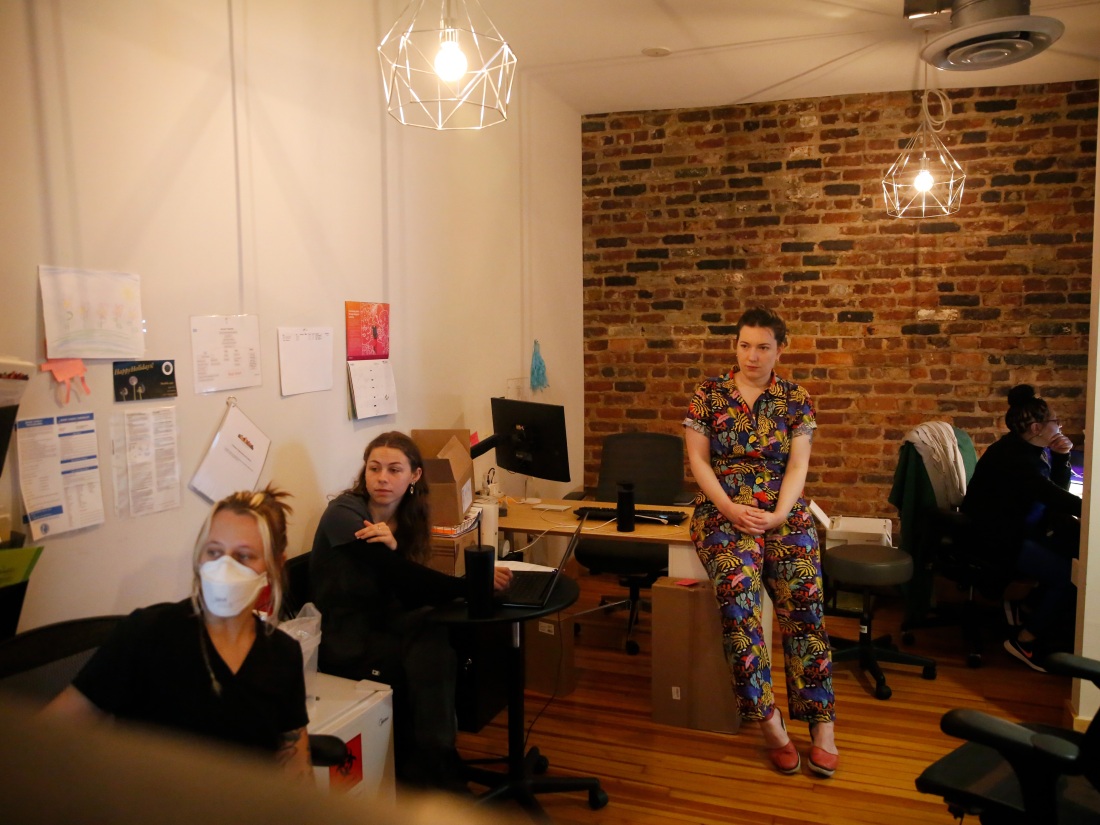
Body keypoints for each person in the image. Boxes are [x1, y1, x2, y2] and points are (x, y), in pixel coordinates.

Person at [44, 486, 311, 779]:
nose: (225, 567)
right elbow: (45, 735)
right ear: (199, 557)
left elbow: (295, 768)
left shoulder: (282, 654)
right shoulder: (147, 634)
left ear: (275, 565)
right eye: (214, 552)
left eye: (244, 556)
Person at [683, 307, 838, 778]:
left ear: (780, 349)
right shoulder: (708, 394)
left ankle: (822, 723)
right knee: (737, 598)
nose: (752, 355)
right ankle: (769, 722)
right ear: (735, 346)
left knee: (805, 599)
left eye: (763, 346)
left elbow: (797, 466)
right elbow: (698, 462)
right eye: (744, 345)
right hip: (723, 511)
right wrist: (731, 509)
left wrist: (778, 515)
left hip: (782, 510)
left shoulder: (796, 398)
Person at [310, 430, 511, 790]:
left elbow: (406, 586)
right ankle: (436, 763)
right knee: (431, 645)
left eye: (394, 469)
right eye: (374, 468)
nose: (382, 478)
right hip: (347, 634)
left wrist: (399, 554)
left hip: (386, 620)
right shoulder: (343, 513)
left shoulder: (408, 515)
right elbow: (403, 578)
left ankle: (434, 758)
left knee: (437, 635)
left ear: (415, 476)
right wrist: (471, 586)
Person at [961, 384, 1080, 672]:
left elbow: (1053, 493)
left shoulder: (1025, 449)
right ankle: (1025, 641)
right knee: (1070, 575)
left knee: (1073, 546)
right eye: (1056, 421)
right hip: (997, 540)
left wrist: (1062, 457)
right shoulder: (1014, 459)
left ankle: (1032, 610)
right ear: (1037, 426)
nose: (1060, 425)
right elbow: (1053, 496)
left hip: (1016, 532)